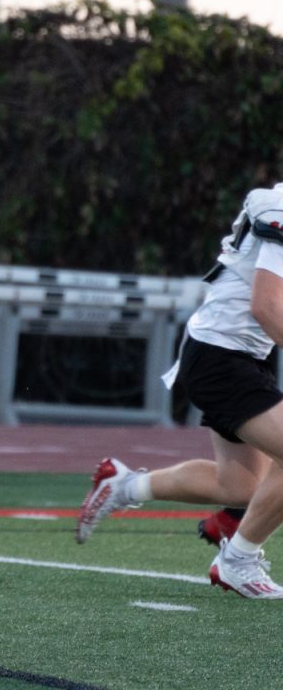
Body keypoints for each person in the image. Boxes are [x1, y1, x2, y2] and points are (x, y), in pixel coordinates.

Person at [76, 182, 283, 598]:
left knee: (239, 486)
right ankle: (238, 560)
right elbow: (266, 306)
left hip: (233, 354)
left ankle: (123, 486)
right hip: (221, 358)